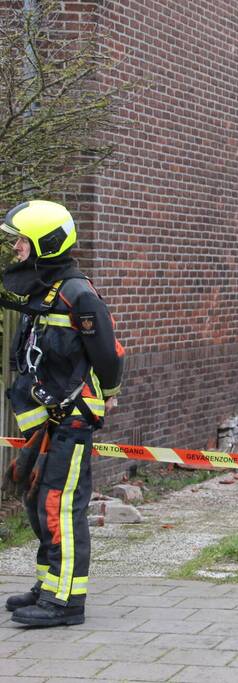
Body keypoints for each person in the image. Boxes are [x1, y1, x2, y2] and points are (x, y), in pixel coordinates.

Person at [0, 200, 123, 627]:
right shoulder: (46, 289)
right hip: (49, 421)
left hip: (72, 419)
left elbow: (108, 356)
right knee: (37, 500)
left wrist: (107, 394)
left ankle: (66, 602)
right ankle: (47, 586)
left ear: (44, 244)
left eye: (22, 241)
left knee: (60, 504)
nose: (16, 248)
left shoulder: (78, 294)